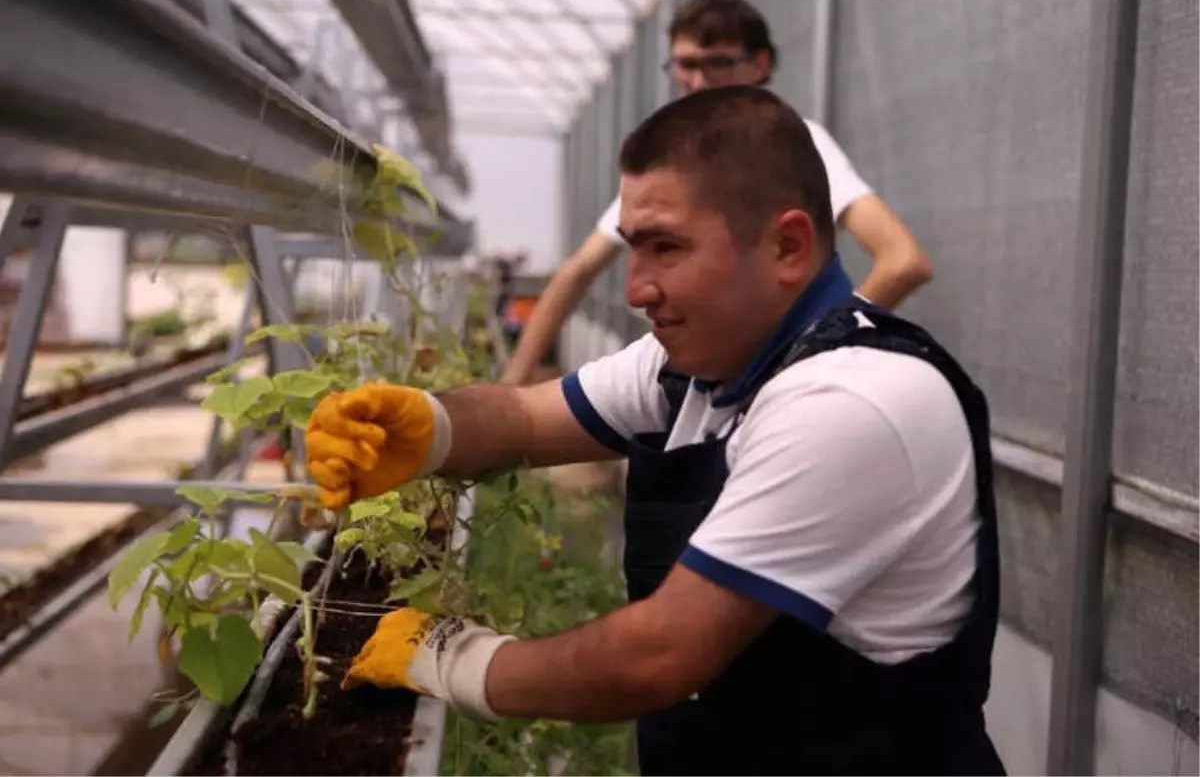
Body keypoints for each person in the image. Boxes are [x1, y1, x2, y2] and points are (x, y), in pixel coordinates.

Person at [305, 86, 1005, 776]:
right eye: (634, 249)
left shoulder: (850, 403)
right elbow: (523, 417)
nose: (636, 288)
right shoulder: (699, 365)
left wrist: (455, 659)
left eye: (666, 248)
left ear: (787, 247)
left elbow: (659, 655)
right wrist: (430, 427)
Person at [499, 0, 932, 386]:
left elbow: (903, 261)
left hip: (777, 393)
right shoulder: (679, 162)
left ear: (759, 64)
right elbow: (577, 271)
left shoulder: (799, 145)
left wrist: (810, 347)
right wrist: (511, 389)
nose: (699, 81)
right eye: (686, 64)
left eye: (718, 63)